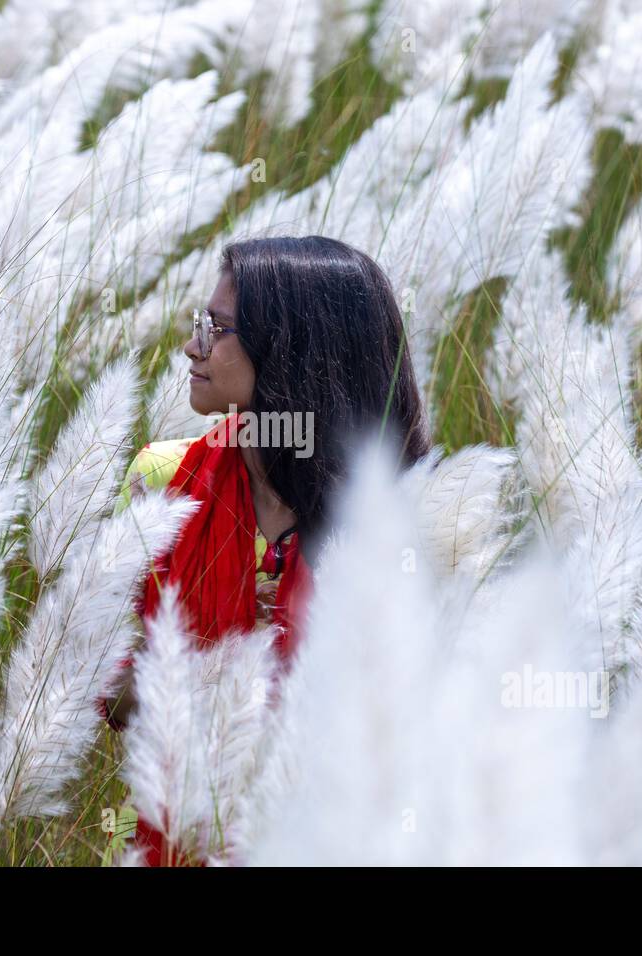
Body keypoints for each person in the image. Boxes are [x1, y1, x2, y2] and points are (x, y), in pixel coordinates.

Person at [98, 235, 432, 865]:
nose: (191, 346)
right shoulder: (161, 481)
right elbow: (104, 681)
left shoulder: (398, 522)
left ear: (290, 351)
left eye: (216, 330)